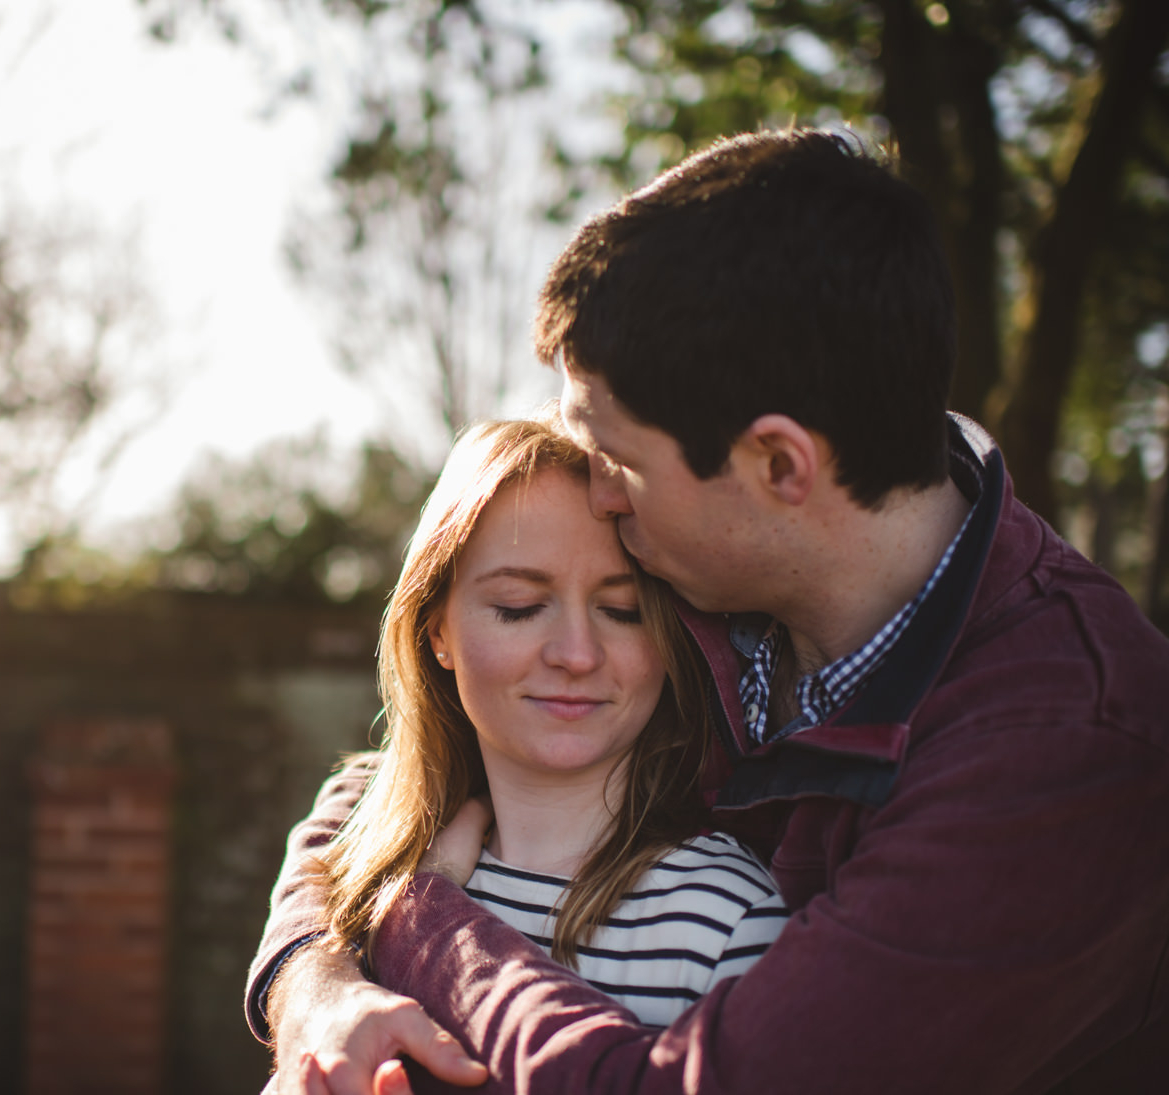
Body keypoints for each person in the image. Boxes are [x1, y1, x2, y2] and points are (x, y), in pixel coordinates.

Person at [247, 128, 1169, 1094]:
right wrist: (316, 981)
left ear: (779, 466)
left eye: (619, 461)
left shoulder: (1069, 745)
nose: (599, 497)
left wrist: (421, 922)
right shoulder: (704, 580)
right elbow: (398, 776)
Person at [309, 414, 788, 1069]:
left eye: (621, 610)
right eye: (518, 605)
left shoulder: (732, 921)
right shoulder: (357, 879)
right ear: (436, 630)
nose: (576, 653)